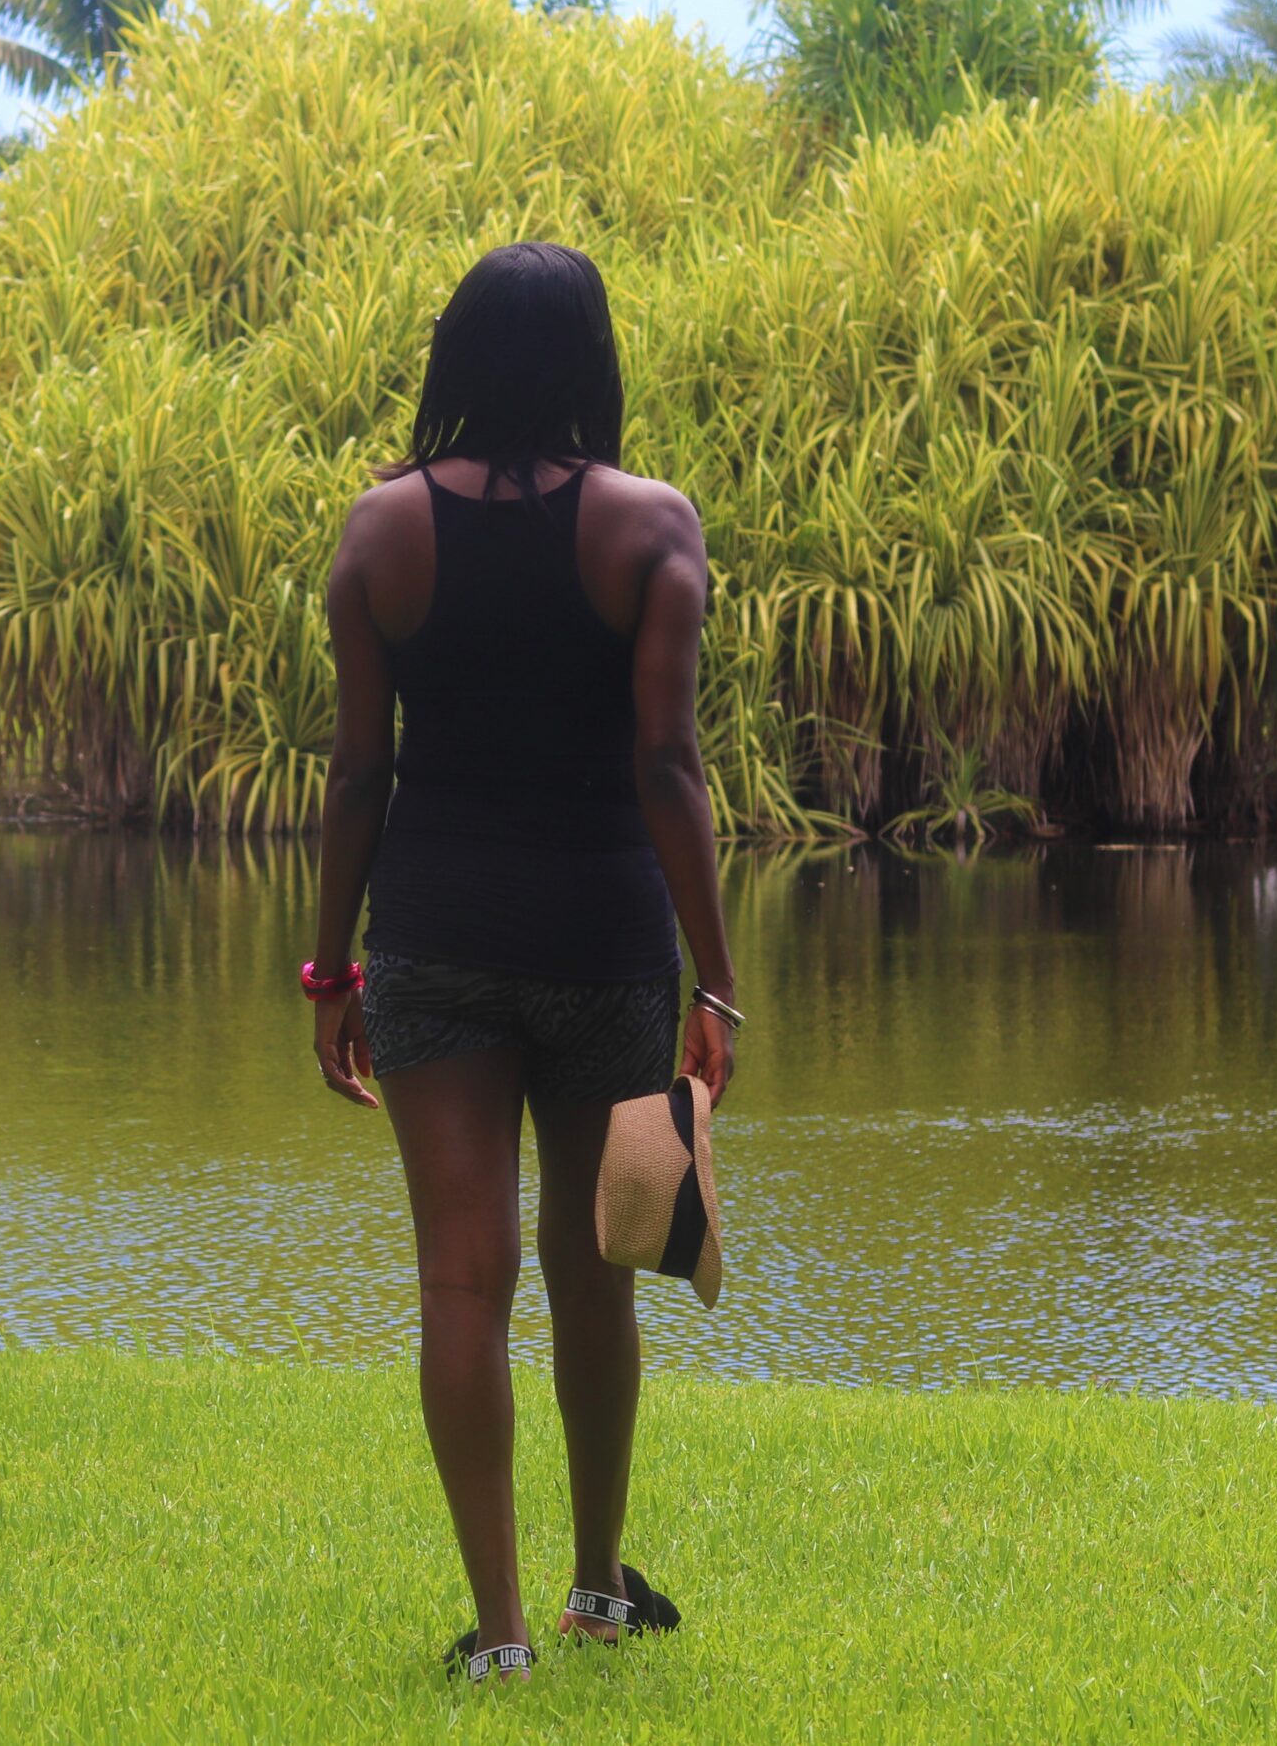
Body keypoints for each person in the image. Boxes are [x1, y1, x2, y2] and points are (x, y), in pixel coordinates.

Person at [302, 241, 738, 1685]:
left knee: (461, 1284)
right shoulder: (651, 526)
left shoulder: (380, 535)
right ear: (589, 363)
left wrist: (328, 970)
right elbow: (668, 765)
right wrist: (715, 982)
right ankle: (597, 1593)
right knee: (598, 1273)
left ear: (456, 361)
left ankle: (498, 1639)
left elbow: (358, 776)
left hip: (431, 942)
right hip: (609, 946)